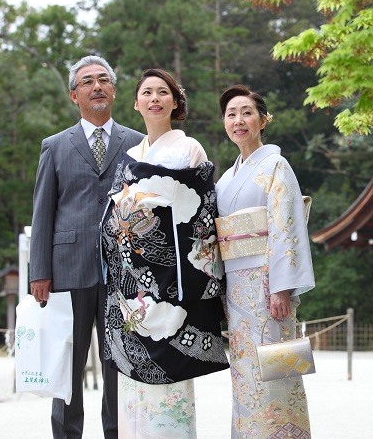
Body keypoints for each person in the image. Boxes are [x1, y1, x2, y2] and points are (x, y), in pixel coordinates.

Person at [100, 68, 230, 438]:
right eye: (147, 92)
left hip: (173, 282)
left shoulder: (188, 149)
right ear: (137, 103)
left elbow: (202, 213)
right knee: (134, 386)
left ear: (176, 102)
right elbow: (113, 220)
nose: (155, 98)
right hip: (133, 286)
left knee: (170, 383)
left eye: (163, 92)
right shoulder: (129, 155)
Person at [29, 55, 145, 439]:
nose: (96, 86)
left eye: (103, 80)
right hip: (67, 270)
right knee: (68, 367)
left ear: (113, 90)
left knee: (118, 364)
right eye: (87, 82)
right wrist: (39, 272)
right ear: (73, 94)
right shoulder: (55, 146)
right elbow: (43, 211)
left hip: (123, 274)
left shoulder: (138, 143)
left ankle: (117, 433)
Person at [215, 84, 316, 438]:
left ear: (263, 119)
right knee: (245, 372)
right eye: (231, 114)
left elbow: (284, 225)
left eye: (246, 112)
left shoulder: (275, 165)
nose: (238, 120)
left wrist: (281, 287)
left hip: (266, 285)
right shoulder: (226, 178)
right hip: (235, 287)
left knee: (274, 367)